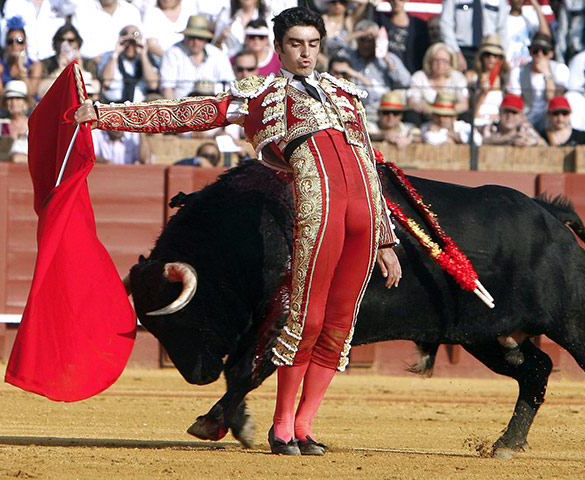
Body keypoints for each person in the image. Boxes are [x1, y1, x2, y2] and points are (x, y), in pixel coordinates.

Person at [73, 6, 401, 456]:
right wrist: (105, 116)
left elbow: (368, 160)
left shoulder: (345, 94)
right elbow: (185, 113)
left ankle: (306, 425)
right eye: (295, 44)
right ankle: (283, 426)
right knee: (308, 319)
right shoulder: (259, 95)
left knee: (340, 325)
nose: (306, 53)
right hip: (319, 209)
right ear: (279, 46)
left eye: (313, 44)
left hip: (363, 212)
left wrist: (385, 238)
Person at [344, 19, 411, 117]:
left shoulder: (388, 58)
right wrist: (361, 33)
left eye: (370, 40)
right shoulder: (349, 56)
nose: (366, 44)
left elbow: (405, 81)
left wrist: (384, 52)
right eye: (362, 39)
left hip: (380, 113)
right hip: (352, 112)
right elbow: (332, 44)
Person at [160, 15, 236, 98]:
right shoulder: (173, 53)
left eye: (200, 38)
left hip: (213, 104)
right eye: (192, 37)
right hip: (181, 105)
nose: (196, 42)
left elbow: (229, 85)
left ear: (206, 39)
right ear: (185, 37)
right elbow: (166, 88)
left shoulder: (218, 55)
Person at [507, 32, 569, 129]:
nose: (539, 55)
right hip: (526, 117)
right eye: (535, 51)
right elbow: (515, 102)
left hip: (551, 117)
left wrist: (546, 73)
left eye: (544, 51)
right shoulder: (518, 71)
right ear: (530, 52)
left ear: (551, 54)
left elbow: (553, 99)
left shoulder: (560, 69)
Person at [0, 17, 43, 105]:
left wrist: (21, 69)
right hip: (4, 104)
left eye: (19, 41)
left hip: (27, 105)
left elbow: (31, 93)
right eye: (10, 41)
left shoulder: (35, 65)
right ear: (5, 44)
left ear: (25, 44)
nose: (14, 45)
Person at [440, 0, 509, 71]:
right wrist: (456, 53)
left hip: (489, 53)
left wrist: (501, 56)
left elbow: (503, 29)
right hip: (462, 51)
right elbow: (446, 25)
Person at [99, 25, 160, 104]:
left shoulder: (147, 58)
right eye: (127, 44)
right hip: (113, 103)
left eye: (133, 44)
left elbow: (153, 84)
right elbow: (106, 82)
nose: (130, 47)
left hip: (141, 104)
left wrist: (143, 55)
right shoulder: (110, 56)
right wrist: (116, 53)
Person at [37, 24, 100, 99]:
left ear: (77, 43)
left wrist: (81, 68)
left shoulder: (89, 63)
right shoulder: (47, 63)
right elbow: (41, 93)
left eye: (71, 40)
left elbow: (96, 91)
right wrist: (59, 70)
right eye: (61, 40)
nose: (65, 44)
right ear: (55, 43)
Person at [407, 42, 469, 118]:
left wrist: (445, 112)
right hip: (425, 117)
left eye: (444, 61)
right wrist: (429, 111)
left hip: (450, 118)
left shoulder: (458, 78)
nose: (440, 64)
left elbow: (463, 104)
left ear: (450, 62)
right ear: (429, 61)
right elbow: (412, 102)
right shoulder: (419, 77)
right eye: (436, 60)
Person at [71, 0, 143, 62]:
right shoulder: (83, 11)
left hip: (127, 62)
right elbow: (79, 44)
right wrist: (101, 62)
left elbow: (138, 35)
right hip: (94, 63)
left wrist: (132, 38)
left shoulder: (131, 11)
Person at [466, 34, 510, 129]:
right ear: (481, 56)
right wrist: (482, 92)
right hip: (477, 123)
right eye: (487, 55)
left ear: (501, 59)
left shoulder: (505, 79)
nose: (491, 59)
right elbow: (471, 110)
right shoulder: (472, 76)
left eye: (495, 56)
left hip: (498, 124)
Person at [375, 0, 431, 74]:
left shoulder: (419, 25)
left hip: (411, 72)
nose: (396, 2)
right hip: (385, 73)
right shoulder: (380, 20)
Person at [0, 0, 67, 61]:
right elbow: (5, 39)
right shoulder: (13, 3)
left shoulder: (61, 2)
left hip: (55, 61)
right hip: (25, 63)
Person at [318, 0, 367, 69]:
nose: (338, 4)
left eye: (342, 2)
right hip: (326, 67)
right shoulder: (321, 21)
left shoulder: (349, 21)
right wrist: (326, 62)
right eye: (334, 1)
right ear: (327, 3)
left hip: (348, 66)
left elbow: (364, 2)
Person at [504, 0, 550, 70]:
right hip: (508, 67)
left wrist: (537, 6)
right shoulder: (504, 19)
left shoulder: (529, 17)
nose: (520, 1)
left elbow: (546, 35)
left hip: (527, 69)